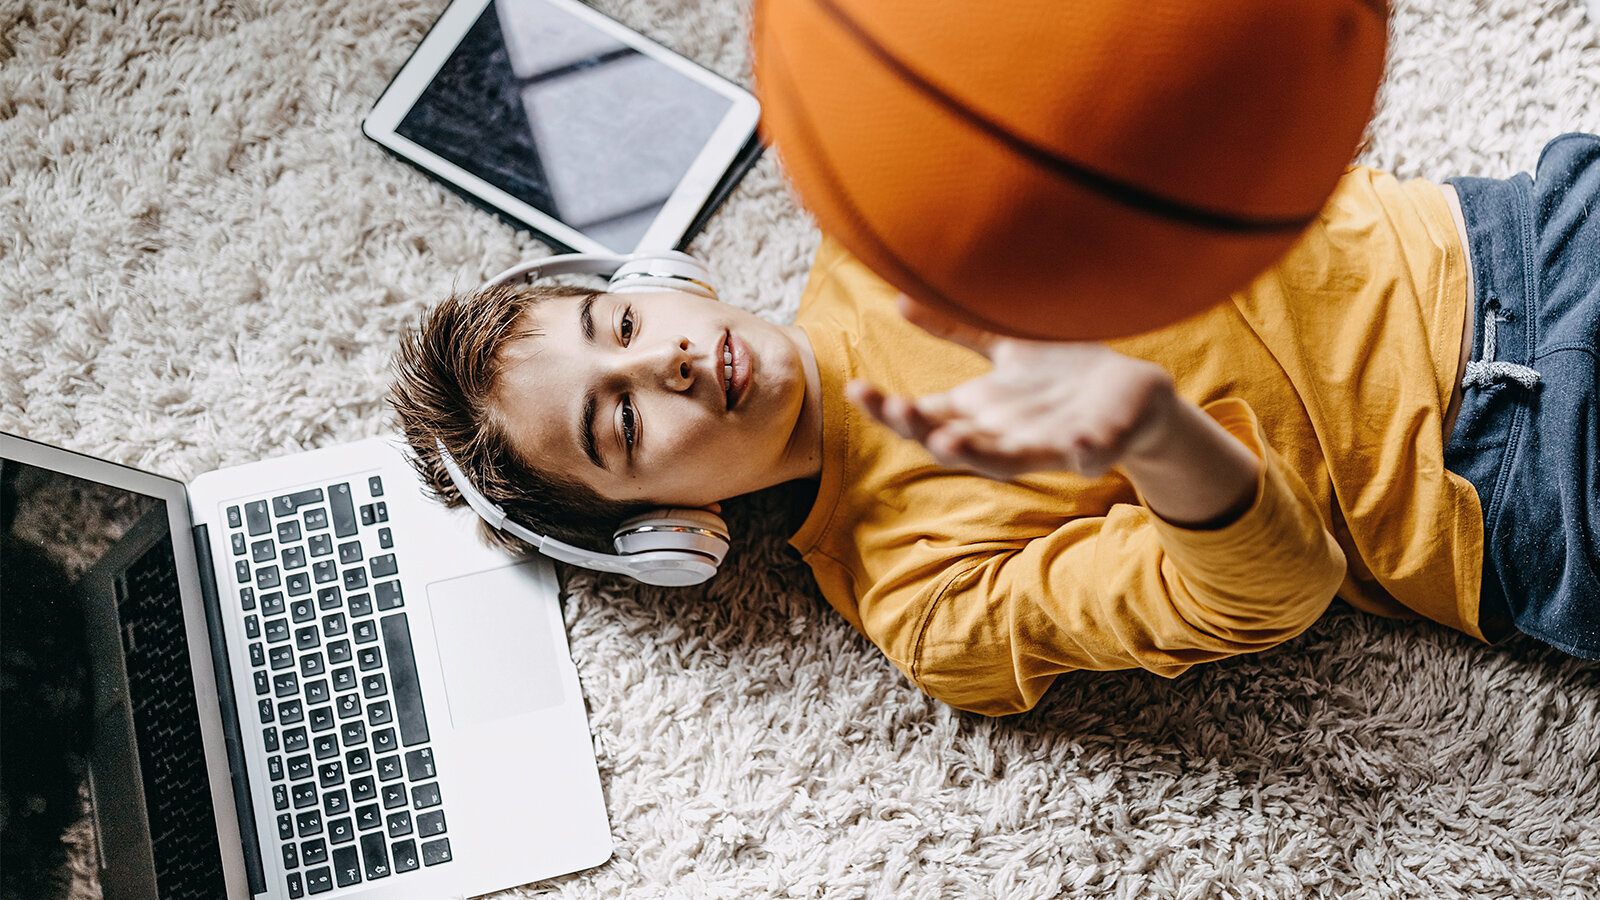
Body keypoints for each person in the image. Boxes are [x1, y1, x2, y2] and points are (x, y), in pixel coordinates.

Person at [389, 133, 1600, 716]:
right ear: (672, 530)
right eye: (621, 426)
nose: (669, 360)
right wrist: (1145, 428)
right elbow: (1270, 590)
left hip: (1523, 224)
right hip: (1506, 474)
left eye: (616, 323)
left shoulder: (886, 210)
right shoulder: (926, 604)